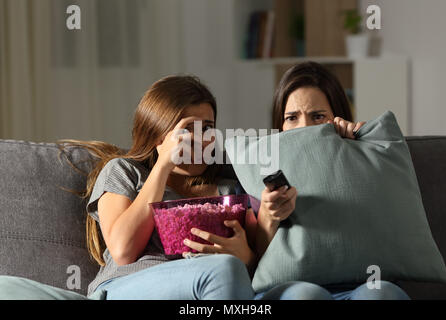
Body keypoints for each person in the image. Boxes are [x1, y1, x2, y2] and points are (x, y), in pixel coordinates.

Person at [58, 75, 257, 300]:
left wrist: (247, 257)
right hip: (127, 284)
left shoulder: (230, 187)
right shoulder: (124, 171)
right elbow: (124, 251)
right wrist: (163, 165)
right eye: (187, 129)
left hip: (213, 286)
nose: (200, 140)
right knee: (224, 270)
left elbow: (256, 260)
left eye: (207, 128)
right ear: (158, 134)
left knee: (300, 291)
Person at [256, 62, 410, 300]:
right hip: (292, 288)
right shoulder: (258, 166)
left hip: (357, 286)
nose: (304, 128)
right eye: (292, 117)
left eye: (318, 116)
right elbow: (250, 260)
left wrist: (358, 150)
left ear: (337, 118)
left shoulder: (363, 157)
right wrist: (268, 216)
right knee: (307, 296)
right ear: (279, 124)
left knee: (381, 293)